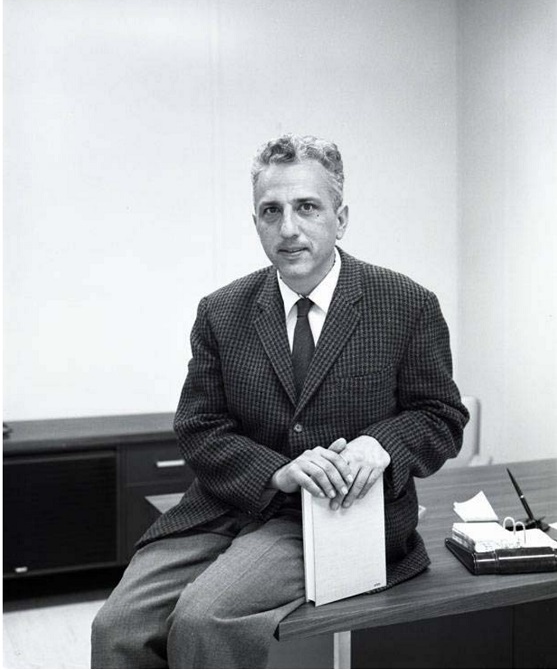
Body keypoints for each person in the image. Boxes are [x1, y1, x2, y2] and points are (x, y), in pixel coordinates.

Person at [91, 134, 469, 669]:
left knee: (203, 619)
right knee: (116, 627)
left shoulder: (406, 304)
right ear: (256, 223)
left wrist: (378, 446)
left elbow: (442, 416)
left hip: (335, 517)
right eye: (272, 211)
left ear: (341, 217)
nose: (288, 228)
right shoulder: (221, 311)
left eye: (307, 207)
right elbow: (199, 426)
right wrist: (278, 471)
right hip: (226, 506)